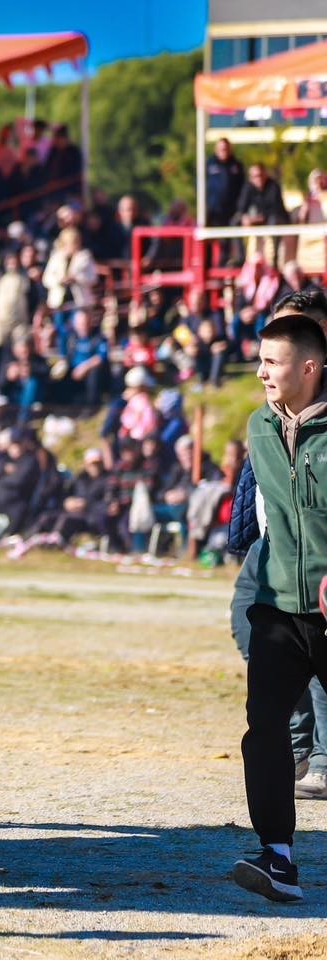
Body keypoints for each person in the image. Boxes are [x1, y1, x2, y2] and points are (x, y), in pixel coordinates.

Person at [231, 312, 327, 903]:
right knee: (264, 728)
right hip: (278, 609)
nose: (262, 372)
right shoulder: (258, 426)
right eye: (260, 361)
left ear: (310, 367)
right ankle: (279, 857)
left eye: (273, 362)